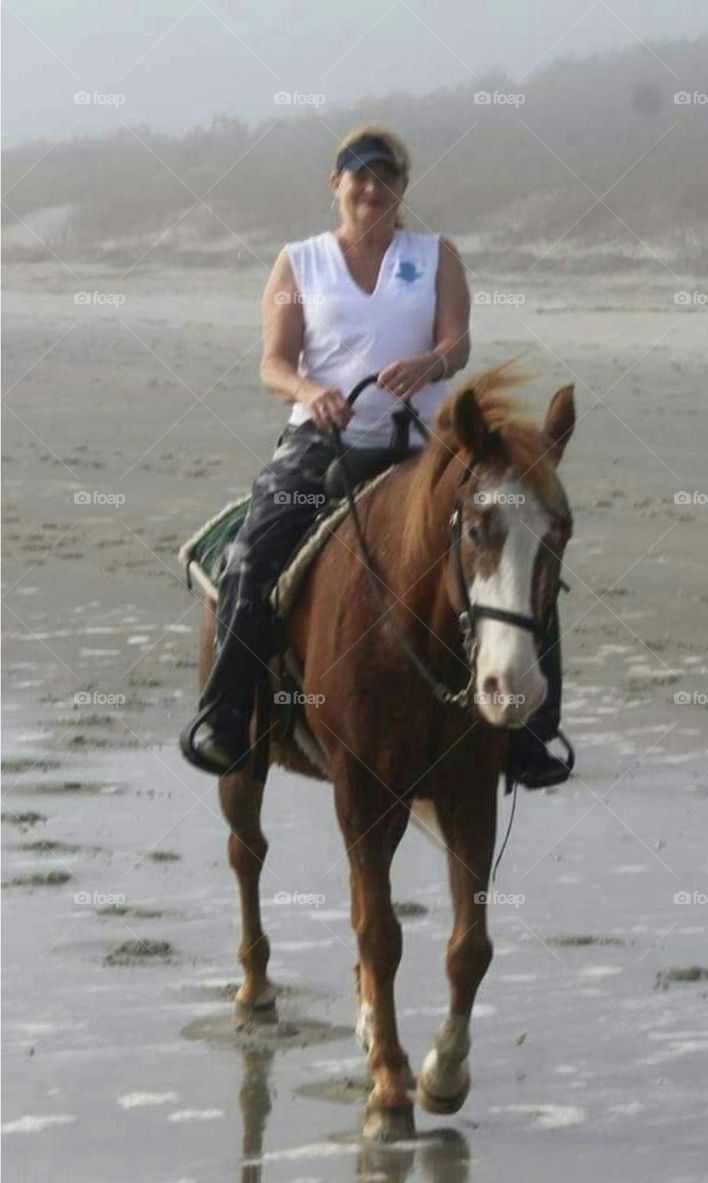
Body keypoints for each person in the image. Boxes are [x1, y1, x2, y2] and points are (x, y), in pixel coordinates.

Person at [179, 124, 571, 789]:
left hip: (428, 447)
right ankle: (226, 714)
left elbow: (459, 344)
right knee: (252, 556)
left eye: (384, 176)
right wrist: (311, 390)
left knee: (519, 546)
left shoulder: (435, 255)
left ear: (401, 188)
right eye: (357, 175)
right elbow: (273, 363)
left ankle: (533, 735)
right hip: (322, 441)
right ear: (336, 185)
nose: (371, 188)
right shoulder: (298, 261)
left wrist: (431, 362)